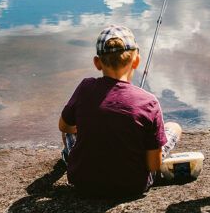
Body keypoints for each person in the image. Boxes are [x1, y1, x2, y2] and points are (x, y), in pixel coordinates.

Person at [59, 25, 182, 197]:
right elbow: (153, 165)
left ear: (97, 62)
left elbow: (64, 126)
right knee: (174, 127)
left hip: (82, 182)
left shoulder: (85, 87)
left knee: (71, 128)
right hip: (132, 185)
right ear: (136, 60)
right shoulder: (149, 102)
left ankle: (69, 157)